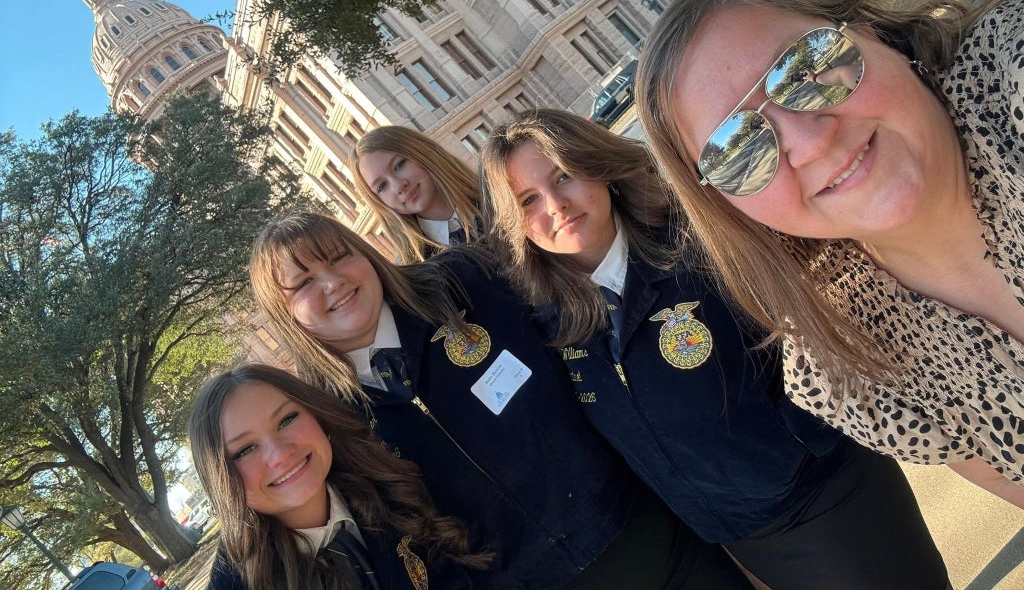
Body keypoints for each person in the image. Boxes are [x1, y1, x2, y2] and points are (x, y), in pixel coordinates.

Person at [478, 108, 950, 590]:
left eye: (564, 176)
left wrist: (795, 444)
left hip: (824, 492)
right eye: (529, 200)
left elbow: (806, 327)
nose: (555, 205)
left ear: (597, 167)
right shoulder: (549, 323)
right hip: (735, 536)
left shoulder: (697, 241)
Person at [635, 0, 1024, 509]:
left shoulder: (1012, 80)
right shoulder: (842, 367)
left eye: (808, 67)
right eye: (738, 151)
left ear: (865, 31)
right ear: (726, 205)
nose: (809, 143)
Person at [248, 211, 755, 590]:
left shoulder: (466, 283)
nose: (334, 282)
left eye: (340, 257)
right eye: (304, 282)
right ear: (285, 310)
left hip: (650, 537)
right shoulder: (324, 420)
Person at [189, 363, 488, 590]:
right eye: (244, 450)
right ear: (221, 480)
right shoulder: (237, 582)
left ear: (317, 416)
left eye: (287, 420)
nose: (279, 454)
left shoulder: (393, 483)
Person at [352, 126, 482, 263]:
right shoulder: (413, 273)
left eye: (399, 165)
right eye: (382, 186)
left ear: (421, 151)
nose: (398, 186)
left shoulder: (499, 193)